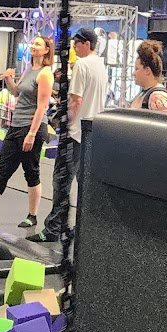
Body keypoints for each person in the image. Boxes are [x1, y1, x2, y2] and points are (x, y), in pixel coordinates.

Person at [0, 36, 53, 230]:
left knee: (31, 171)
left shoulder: (45, 73)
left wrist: (32, 134)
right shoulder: (29, 69)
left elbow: (42, 106)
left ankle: (32, 215)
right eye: (33, 43)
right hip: (15, 126)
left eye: (38, 44)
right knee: (2, 170)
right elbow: (16, 92)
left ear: (46, 50)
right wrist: (8, 79)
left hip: (32, 127)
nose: (33, 46)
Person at [44, 27, 108, 243]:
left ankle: (54, 228)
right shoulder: (101, 65)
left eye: (76, 44)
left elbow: (76, 100)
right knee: (84, 185)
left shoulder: (82, 65)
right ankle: (81, 227)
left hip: (75, 133)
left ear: (87, 44)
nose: (74, 48)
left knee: (61, 181)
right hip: (91, 133)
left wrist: (64, 123)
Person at [132, 39, 167, 113]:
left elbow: (163, 120)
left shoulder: (158, 97)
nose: (133, 73)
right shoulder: (145, 94)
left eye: (137, 69)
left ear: (147, 70)